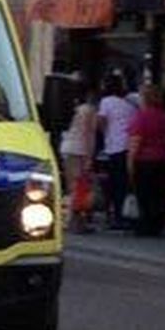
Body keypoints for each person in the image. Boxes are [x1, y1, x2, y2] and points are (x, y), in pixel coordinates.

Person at [127, 81, 165, 236]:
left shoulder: (141, 117)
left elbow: (135, 142)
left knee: (144, 194)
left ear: (144, 98)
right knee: (159, 193)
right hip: (163, 159)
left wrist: (130, 163)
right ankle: (157, 224)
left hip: (145, 160)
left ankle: (145, 226)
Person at [96, 73, 136, 228]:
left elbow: (101, 122)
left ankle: (116, 216)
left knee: (113, 183)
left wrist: (104, 135)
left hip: (114, 146)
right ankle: (124, 215)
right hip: (127, 145)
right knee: (123, 183)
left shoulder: (106, 101)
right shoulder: (128, 104)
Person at [59, 80, 98, 233]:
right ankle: (72, 222)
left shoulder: (77, 109)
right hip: (79, 150)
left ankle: (71, 221)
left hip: (68, 147)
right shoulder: (90, 110)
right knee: (79, 187)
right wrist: (89, 156)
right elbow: (89, 134)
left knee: (72, 186)